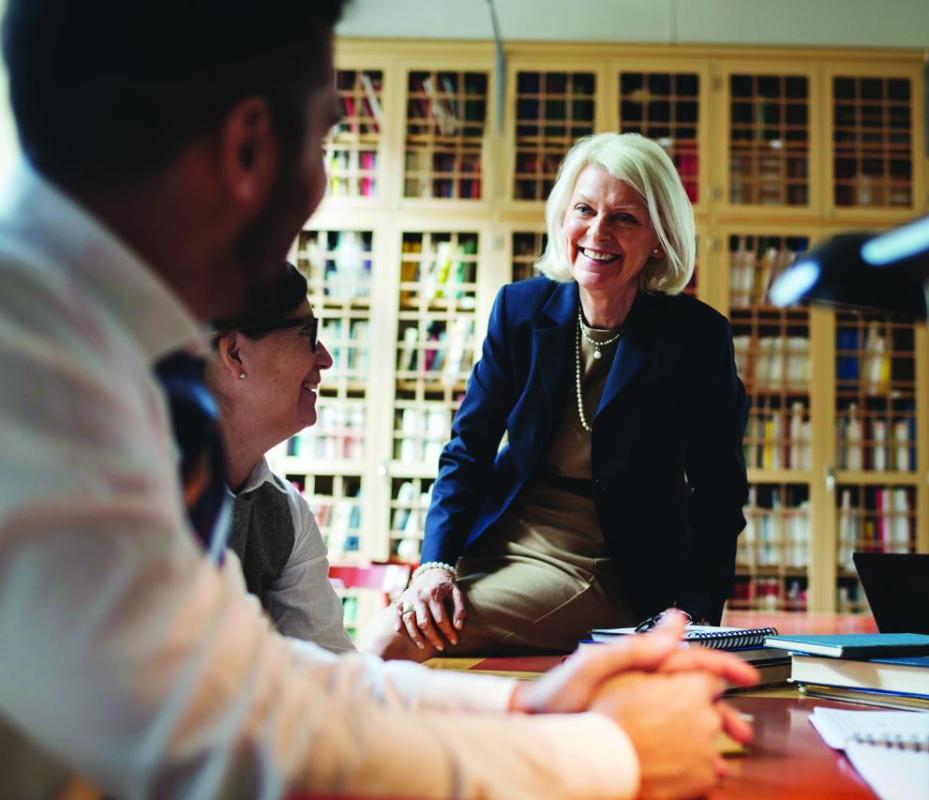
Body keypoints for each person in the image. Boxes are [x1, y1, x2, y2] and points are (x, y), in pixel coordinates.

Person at [0, 2, 757, 798]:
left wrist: (525, 704)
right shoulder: (45, 385)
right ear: (247, 149)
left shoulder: (96, 357)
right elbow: (220, 740)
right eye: (327, 137)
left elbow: (247, 674)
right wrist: (612, 757)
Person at [381, 132, 749, 660]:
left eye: (625, 218)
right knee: (400, 622)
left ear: (659, 239)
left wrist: (695, 616)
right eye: (585, 209)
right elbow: (469, 449)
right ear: (563, 218)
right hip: (504, 535)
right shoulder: (520, 310)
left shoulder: (695, 338)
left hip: (606, 561)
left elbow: (719, 493)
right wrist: (435, 564)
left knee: (397, 639)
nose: (598, 232)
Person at [206, 262, 354, 654]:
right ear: (235, 353)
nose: (325, 358)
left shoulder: (285, 514)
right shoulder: (132, 502)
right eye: (309, 334)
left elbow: (330, 674)